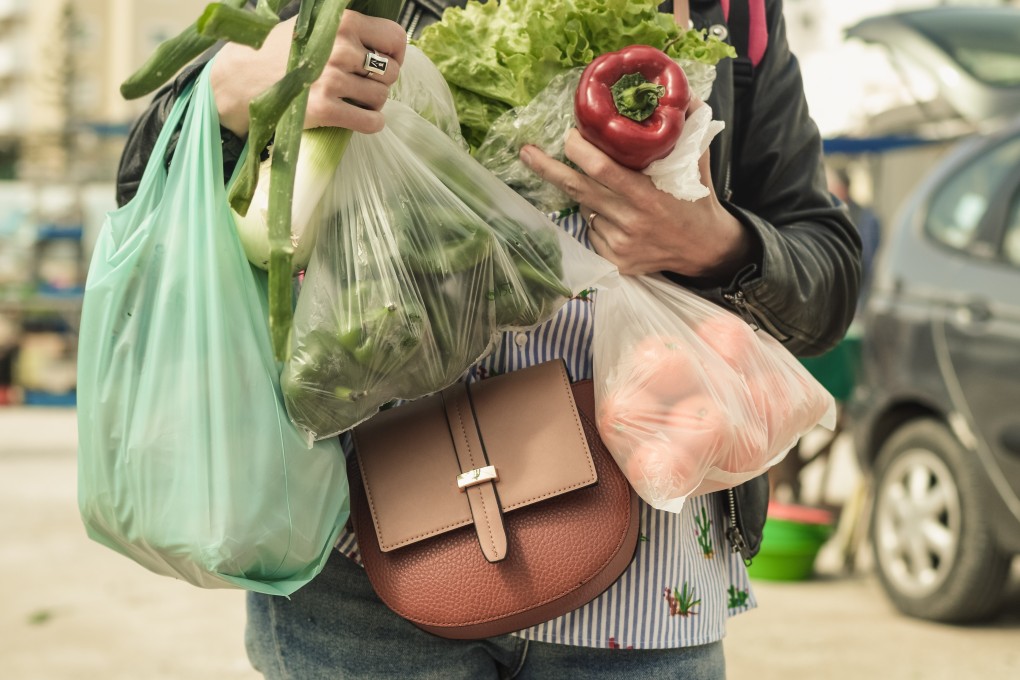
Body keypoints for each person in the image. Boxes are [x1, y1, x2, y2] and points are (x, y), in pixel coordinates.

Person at [116, 0, 861, 677]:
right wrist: (232, 92)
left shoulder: (727, 11)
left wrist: (715, 245)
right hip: (358, 562)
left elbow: (827, 273)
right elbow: (145, 184)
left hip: (646, 577)